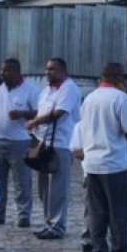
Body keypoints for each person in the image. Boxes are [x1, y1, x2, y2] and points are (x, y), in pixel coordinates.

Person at [78, 63, 127, 252]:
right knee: (120, 213)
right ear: (117, 78)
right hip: (114, 163)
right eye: (124, 77)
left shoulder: (89, 98)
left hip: (92, 163)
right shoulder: (121, 98)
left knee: (97, 213)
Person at [26, 57, 81, 239]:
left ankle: (57, 226)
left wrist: (35, 121)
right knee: (44, 188)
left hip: (61, 144)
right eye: (47, 69)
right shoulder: (46, 91)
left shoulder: (69, 88)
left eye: (53, 69)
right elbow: (42, 112)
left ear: (63, 71)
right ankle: (48, 222)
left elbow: (59, 113)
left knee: (58, 188)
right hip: (44, 144)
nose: (48, 72)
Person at [0, 58, 39, 228]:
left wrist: (22, 113)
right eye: (1, 70)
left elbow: (38, 112)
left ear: (16, 72)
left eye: (6, 70)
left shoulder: (30, 90)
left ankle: (23, 215)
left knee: (22, 181)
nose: (2, 73)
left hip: (20, 141)